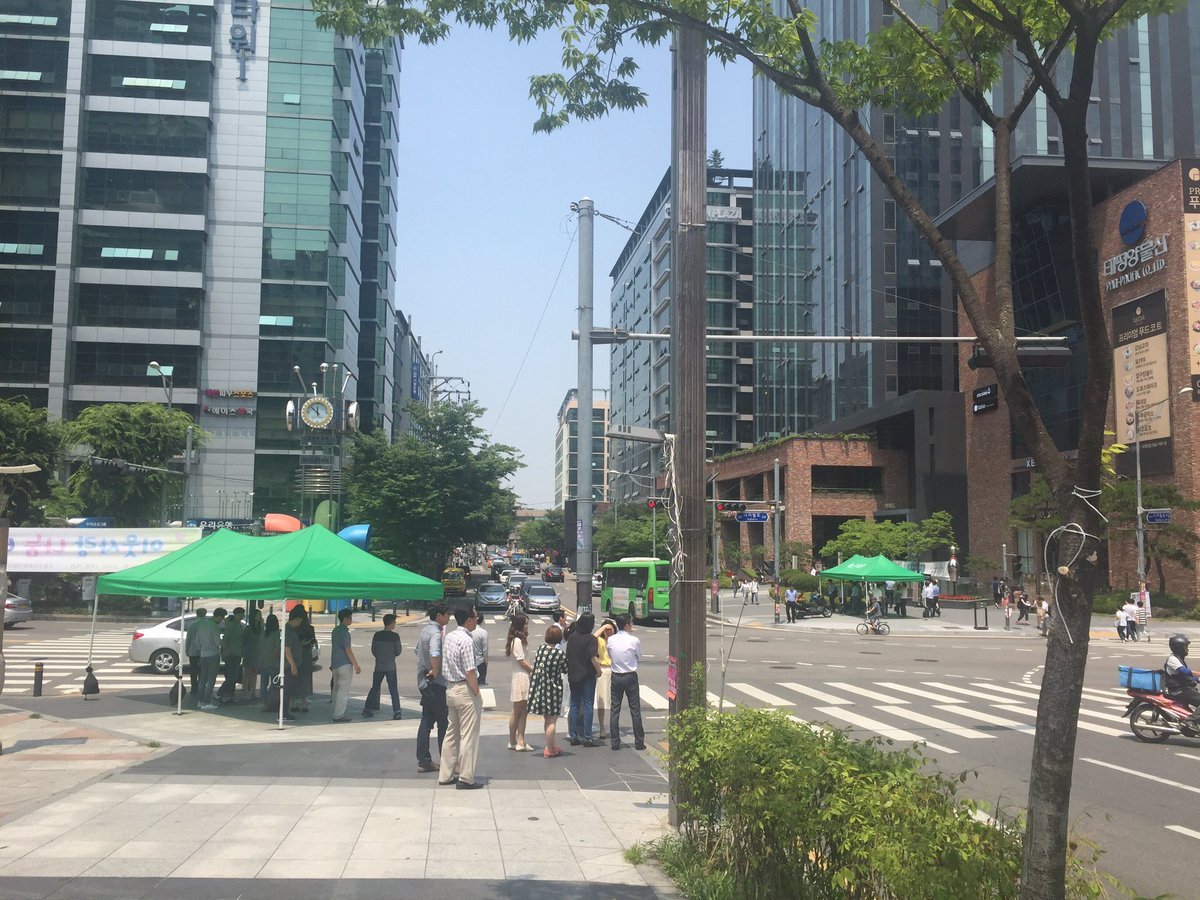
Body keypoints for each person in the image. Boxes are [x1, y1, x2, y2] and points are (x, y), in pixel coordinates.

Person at [438, 606, 484, 790]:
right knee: (468, 736)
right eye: (475, 617)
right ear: (468, 620)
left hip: (450, 688)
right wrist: (476, 691)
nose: (476, 619)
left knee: (452, 734)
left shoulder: (448, 636)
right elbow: (470, 670)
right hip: (465, 688)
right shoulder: (466, 640)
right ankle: (465, 777)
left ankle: (445, 774)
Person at [416, 602, 450, 774]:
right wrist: (436, 670)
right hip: (435, 684)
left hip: (424, 682)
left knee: (426, 722)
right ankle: (446, 761)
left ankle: (424, 760)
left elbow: (417, 651)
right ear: (439, 616)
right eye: (446, 614)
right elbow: (435, 653)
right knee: (443, 722)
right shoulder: (436, 633)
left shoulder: (424, 631)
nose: (449, 617)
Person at [527, 624, 569, 758]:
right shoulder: (559, 654)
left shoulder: (541, 649)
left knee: (547, 719)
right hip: (553, 689)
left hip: (541, 687)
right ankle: (549, 749)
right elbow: (565, 669)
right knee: (552, 720)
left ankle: (550, 745)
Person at [607, 614, 645, 751]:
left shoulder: (611, 639)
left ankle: (615, 742)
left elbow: (610, 654)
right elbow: (639, 655)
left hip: (616, 675)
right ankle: (639, 742)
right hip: (630, 675)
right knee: (635, 710)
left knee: (615, 709)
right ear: (627, 624)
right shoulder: (634, 640)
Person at [566, 613, 601, 747]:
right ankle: (587, 737)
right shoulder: (591, 639)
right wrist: (599, 670)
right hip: (587, 675)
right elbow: (593, 657)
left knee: (574, 705)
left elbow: (568, 655)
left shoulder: (572, 638)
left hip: (573, 675)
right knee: (587, 705)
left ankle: (573, 735)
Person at [363, 613, 403, 720]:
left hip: (379, 666)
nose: (395, 624)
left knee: (375, 687)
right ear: (391, 623)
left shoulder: (377, 635)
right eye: (394, 622)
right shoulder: (395, 636)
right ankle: (397, 711)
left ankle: (367, 709)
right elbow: (398, 651)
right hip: (391, 666)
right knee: (393, 689)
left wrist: (380, 656)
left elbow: (373, 650)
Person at [507, 613, 534, 751]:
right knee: (517, 711)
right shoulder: (517, 641)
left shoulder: (519, 639)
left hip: (523, 676)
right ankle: (513, 740)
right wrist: (533, 670)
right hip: (521, 677)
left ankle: (520, 740)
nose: (527, 626)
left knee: (523, 711)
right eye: (525, 624)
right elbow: (521, 661)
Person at [330, 607, 361, 723]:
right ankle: (339, 715)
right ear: (345, 619)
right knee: (343, 691)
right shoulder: (345, 634)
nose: (351, 620)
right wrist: (356, 665)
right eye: (350, 618)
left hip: (335, 664)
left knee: (336, 689)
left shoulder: (335, 631)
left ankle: (334, 711)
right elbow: (348, 650)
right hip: (344, 664)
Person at [1164, 635, 1200, 723]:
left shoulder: (1178, 658)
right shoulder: (1173, 659)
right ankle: (1190, 721)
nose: (1187, 649)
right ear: (1179, 648)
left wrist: (1197, 679)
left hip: (1183, 689)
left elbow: (1185, 677)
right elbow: (1185, 672)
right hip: (1178, 691)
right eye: (1185, 647)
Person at [192, 607, 223, 710]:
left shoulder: (202, 625)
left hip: (203, 655)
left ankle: (200, 702)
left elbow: (196, 641)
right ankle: (206, 702)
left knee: (202, 679)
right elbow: (218, 642)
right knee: (211, 680)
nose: (221, 621)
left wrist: (201, 649)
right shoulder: (214, 627)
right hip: (213, 654)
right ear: (218, 617)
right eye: (221, 618)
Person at [594, 619, 615, 740]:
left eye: (610, 629)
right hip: (603, 670)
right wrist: (603, 629)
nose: (608, 631)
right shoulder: (599, 641)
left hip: (614, 670)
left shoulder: (616, 640)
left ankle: (612, 727)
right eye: (606, 629)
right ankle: (602, 727)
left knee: (613, 702)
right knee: (601, 702)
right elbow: (593, 637)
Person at [217, 607, 243, 703]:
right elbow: (226, 640)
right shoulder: (232, 625)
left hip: (237, 652)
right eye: (241, 614)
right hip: (231, 653)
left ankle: (229, 695)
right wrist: (225, 652)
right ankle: (221, 692)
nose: (243, 616)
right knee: (232, 676)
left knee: (233, 676)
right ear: (237, 614)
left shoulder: (237, 624)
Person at [240, 609, 263, 701]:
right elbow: (243, 639)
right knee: (247, 672)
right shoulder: (249, 628)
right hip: (249, 652)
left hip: (257, 652)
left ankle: (253, 691)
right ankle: (245, 691)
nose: (260, 617)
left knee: (254, 672)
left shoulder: (260, 627)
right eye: (258, 615)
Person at [185, 607, 207, 694]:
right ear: (205, 614)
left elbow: (188, 638)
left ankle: (194, 688)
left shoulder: (192, 624)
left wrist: (187, 649)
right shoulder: (207, 624)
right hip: (204, 650)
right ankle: (201, 687)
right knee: (202, 670)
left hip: (193, 650)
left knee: (193, 670)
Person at [472, 609, 489, 686]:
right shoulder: (483, 632)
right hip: (480, 662)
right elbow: (485, 651)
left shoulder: (468, 631)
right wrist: (486, 663)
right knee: (481, 686)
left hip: (469, 663)